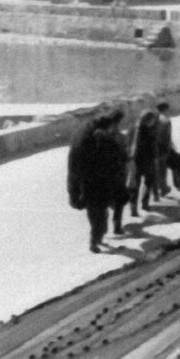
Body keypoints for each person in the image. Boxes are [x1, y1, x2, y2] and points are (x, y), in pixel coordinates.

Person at [68, 110, 129, 252]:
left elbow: (74, 168)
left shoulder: (83, 138)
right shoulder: (103, 142)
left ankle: (97, 239)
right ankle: (94, 242)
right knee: (100, 217)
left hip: (88, 186)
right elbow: (117, 160)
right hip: (98, 186)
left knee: (98, 216)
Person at [127, 105, 161, 216]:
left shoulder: (132, 128)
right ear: (148, 120)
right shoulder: (149, 131)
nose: (154, 122)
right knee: (148, 182)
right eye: (153, 120)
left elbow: (127, 143)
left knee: (134, 185)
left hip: (134, 161)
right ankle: (145, 204)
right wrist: (155, 159)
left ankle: (133, 208)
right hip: (147, 162)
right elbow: (153, 148)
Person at [153, 101, 174, 198]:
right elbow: (168, 137)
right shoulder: (166, 120)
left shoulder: (154, 119)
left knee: (156, 170)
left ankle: (157, 189)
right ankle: (164, 188)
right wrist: (170, 146)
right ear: (165, 109)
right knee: (163, 169)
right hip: (163, 148)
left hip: (154, 148)